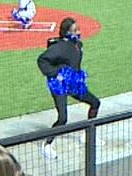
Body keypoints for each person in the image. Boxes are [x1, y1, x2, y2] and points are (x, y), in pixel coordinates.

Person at [38, 17, 100, 159]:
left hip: (73, 83)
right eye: (75, 30)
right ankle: (47, 144)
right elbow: (42, 60)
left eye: (78, 29)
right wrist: (55, 74)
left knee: (95, 103)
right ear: (66, 32)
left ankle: (87, 135)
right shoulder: (59, 47)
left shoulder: (78, 44)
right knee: (63, 118)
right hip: (59, 85)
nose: (78, 32)